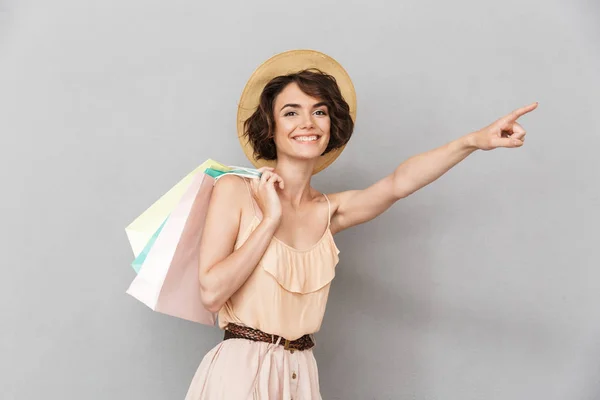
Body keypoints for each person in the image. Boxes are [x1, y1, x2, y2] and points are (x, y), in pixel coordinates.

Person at [184, 50, 537, 399]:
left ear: (330, 124)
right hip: (239, 372)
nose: (307, 122)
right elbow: (211, 293)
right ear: (271, 127)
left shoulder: (330, 211)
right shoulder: (234, 191)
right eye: (291, 112)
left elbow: (398, 183)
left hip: (301, 373)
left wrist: (473, 141)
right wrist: (269, 220)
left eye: (318, 111)